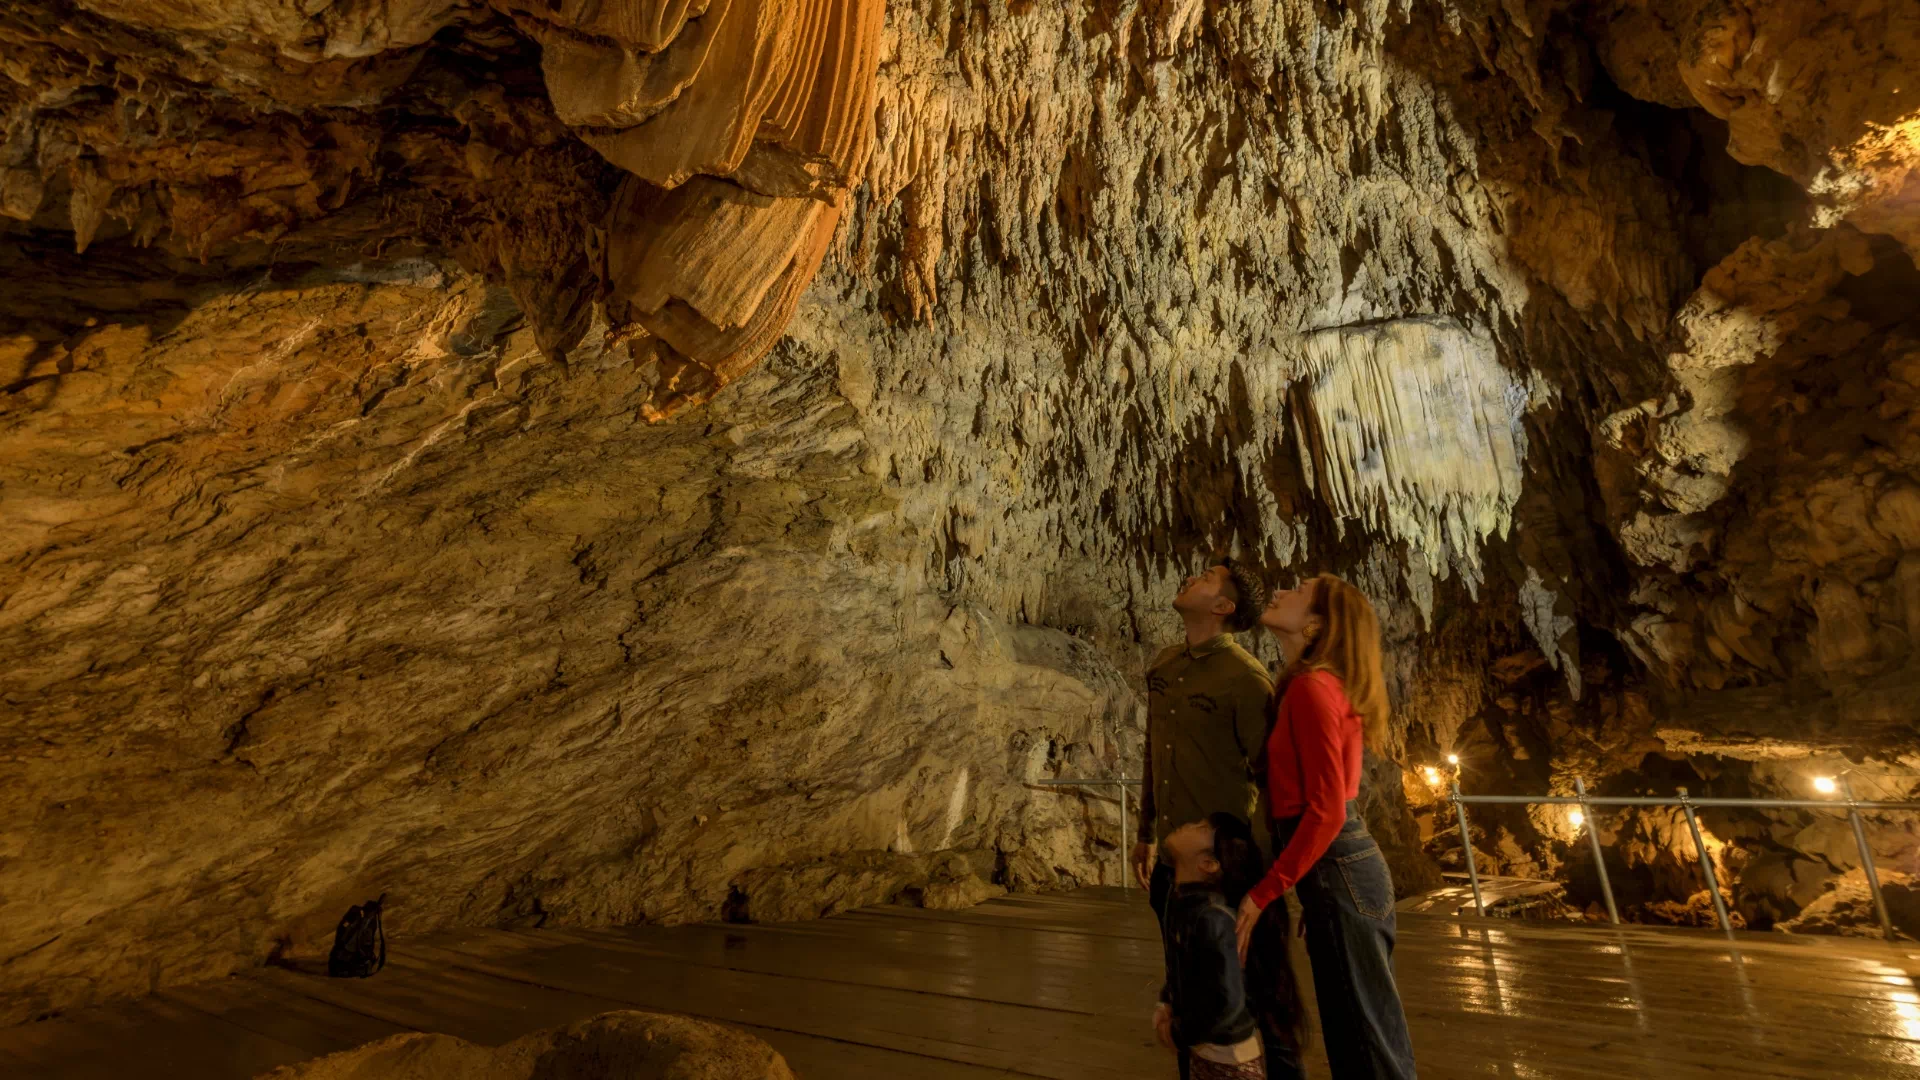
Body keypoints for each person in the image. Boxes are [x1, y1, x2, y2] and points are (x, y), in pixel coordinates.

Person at [1233, 574, 1418, 1080]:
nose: (1278, 589)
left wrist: (1264, 893)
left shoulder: (1314, 688)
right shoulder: (1310, 683)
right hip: (1336, 870)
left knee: (1366, 1036)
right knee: (1356, 1029)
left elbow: (1327, 809)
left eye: (1297, 590)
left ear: (1314, 626)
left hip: (1340, 863)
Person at [1133, 558, 1303, 1078]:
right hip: (1175, 858)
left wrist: (1266, 878)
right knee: (1186, 987)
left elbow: (1272, 777)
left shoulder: (1246, 680)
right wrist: (1146, 832)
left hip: (1226, 865)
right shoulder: (1164, 667)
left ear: (1223, 607)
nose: (1189, 577)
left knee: (1253, 998)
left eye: (1207, 578)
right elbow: (1152, 752)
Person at [1151, 813, 1275, 1080]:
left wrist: (1179, 1033)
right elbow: (1182, 967)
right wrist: (1167, 1001)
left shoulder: (1212, 918)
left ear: (1208, 863)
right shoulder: (1180, 899)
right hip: (1205, 1052)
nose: (1187, 822)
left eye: (1201, 827)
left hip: (1230, 1061)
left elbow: (1226, 1002)